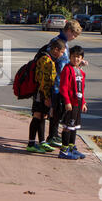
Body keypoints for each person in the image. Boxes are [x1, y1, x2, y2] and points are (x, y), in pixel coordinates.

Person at [46, 20, 84, 148]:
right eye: (74, 34)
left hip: (60, 81)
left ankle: (54, 134)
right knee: (56, 110)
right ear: (69, 31)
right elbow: (55, 60)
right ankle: (52, 136)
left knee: (58, 109)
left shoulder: (64, 43)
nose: (74, 37)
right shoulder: (58, 42)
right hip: (57, 82)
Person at [26, 38, 66, 154]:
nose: (62, 55)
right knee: (37, 116)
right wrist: (46, 97)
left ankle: (42, 142)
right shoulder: (46, 60)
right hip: (41, 93)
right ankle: (31, 143)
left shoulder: (48, 58)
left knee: (43, 116)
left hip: (43, 92)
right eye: (62, 52)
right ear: (56, 50)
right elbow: (44, 81)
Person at [58, 45, 88, 160]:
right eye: (74, 56)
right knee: (67, 126)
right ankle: (64, 150)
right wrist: (67, 101)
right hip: (70, 103)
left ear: (81, 58)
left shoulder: (80, 71)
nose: (76, 59)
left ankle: (71, 148)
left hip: (78, 103)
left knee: (74, 126)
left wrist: (84, 103)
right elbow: (63, 87)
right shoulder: (67, 69)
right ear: (70, 57)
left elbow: (81, 89)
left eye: (78, 57)